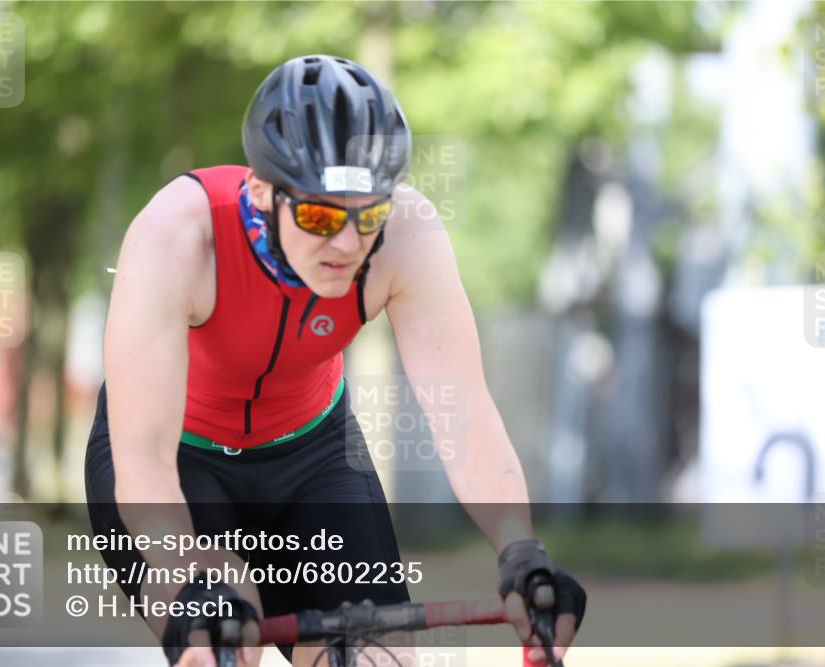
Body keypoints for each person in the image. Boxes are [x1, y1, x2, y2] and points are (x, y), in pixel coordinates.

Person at [85, 54, 586, 667]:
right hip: (178, 463)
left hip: (313, 456)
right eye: (320, 216)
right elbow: (143, 460)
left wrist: (520, 550)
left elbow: (463, 415)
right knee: (218, 647)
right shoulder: (178, 236)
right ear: (262, 191)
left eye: (367, 214)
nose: (347, 243)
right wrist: (188, 577)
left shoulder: (408, 236)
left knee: (375, 660)